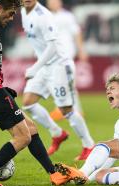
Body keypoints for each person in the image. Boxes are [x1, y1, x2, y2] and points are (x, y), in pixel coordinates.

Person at [0, 0, 82, 186]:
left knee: (30, 128)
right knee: (23, 137)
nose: (11, 17)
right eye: (9, 13)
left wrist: (0, 87)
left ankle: (54, 174)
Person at [21, 0, 95, 160]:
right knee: (28, 102)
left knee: (66, 109)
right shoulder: (23, 12)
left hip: (59, 65)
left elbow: (53, 46)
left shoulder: (45, 16)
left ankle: (89, 145)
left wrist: (35, 67)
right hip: (44, 65)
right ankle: (57, 133)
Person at [46, 0, 88, 121]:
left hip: (66, 53)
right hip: (52, 55)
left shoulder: (67, 16)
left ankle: (76, 110)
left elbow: (77, 33)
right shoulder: (45, 16)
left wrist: (81, 50)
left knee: (68, 82)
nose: (52, 3)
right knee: (56, 82)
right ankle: (63, 108)